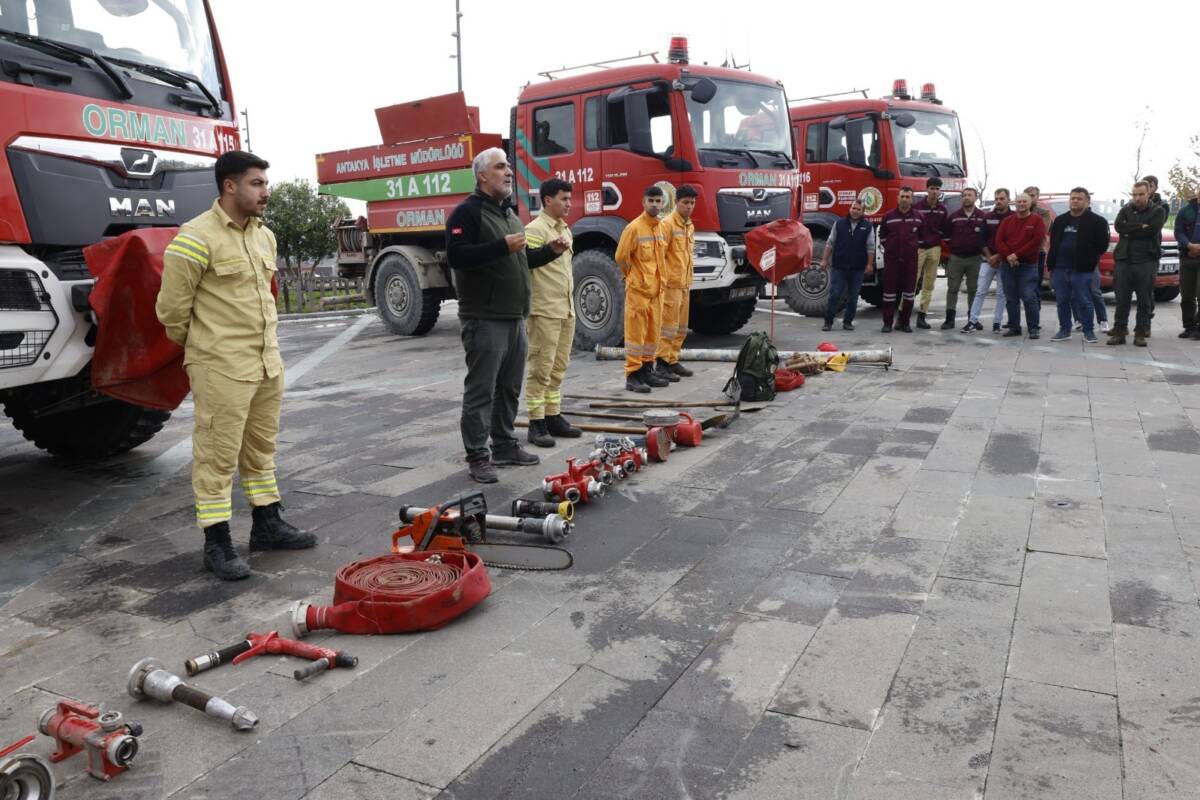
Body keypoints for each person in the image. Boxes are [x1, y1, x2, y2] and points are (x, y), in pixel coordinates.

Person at [155, 151, 315, 581]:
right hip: (221, 366)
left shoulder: (265, 237)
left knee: (261, 448)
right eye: (256, 183)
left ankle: (267, 524)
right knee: (216, 455)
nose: (266, 191)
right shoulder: (194, 238)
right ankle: (217, 542)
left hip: (265, 363)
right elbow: (171, 312)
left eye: (265, 183)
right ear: (230, 186)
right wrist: (207, 349)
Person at [446, 147, 567, 482]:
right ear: (482, 175)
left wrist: (548, 253)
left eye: (509, 167)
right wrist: (502, 246)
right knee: (481, 390)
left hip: (515, 317)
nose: (509, 172)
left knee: (510, 387)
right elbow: (456, 256)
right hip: (484, 318)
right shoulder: (466, 214)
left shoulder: (509, 214)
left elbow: (520, 260)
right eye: (501, 167)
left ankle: (504, 445)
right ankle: (477, 456)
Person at [523, 178, 582, 448]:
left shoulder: (565, 229)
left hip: (565, 309)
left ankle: (553, 417)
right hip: (544, 310)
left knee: (558, 367)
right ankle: (536, 424)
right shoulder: (534, 229)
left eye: (570, 199)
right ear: (548, 200)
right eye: (564, 199)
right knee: (540, 369)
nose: (569, 204)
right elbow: (527, 262)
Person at [617, 186, 670, 392]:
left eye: (658, 201)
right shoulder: (633, 228)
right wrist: (632, 277)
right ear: (643, 202)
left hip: (656, 291)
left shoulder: (659, 228)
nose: (655, 204)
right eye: (651, 201)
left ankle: (648, 370)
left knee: (652, 333)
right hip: (639, 290)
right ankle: (633, 375)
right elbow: (621, 257)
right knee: (635, 335)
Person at [1046, 187, 1110, 343]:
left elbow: (1102, 245)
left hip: (1082, 269)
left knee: (1084, 301)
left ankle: (1089, 331)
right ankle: (1064, 330)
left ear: (1087, 201)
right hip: (1060, 268)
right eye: (1072, 198)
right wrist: (1052, 265)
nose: (1075, 201)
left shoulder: (1097, 221)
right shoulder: (1060, 220)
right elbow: (1054, 243)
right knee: (1062, 301)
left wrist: (1088, 259)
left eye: (1079, 198)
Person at [1108, 180, 1168, 347]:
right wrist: (1139, 226)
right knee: (1122, 299)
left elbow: (1152, 230)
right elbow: (1119, 227)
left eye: (1141, 194)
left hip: (1146, 260)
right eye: (1134, 195)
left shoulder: (1158, 211)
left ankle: (1140, 332)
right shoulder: (1126, 209)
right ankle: (1119, 331)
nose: (1137, 198)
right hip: (1124, 260)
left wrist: (1130, 230)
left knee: (1144, 300)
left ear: (1149, 193)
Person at [657, 184, 698, 377]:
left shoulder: (689, 225)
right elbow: (659, 256)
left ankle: (673, 360)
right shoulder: (667, 225)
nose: (689, 206)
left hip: (684, 284)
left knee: (681, 327)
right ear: (676, 202)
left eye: (692, 203)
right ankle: (662, 363)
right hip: (670, 285)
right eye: (685, 203)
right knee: (668, 327)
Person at [995, 192, 1047, 338]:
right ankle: (1014, 327)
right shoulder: (1007, 221)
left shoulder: (1036, 220)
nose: (1021, 204)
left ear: (1030, 203)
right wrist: (1009, 256)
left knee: (1029, 296)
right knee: (1011, 298)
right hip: (1008, 265)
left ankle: (1033, 328)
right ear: (1014, 203)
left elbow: (1036, 241)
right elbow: (999, 241)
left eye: (1025, 201)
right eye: (1019, 202)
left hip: (1028, 265)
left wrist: (1016, 255)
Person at [820, 199, 875, 331]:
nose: (855, 211)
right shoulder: (839, 224)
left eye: (858, 209)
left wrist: (869, 264)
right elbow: (830, 243)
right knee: (835, 294)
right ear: (850, 209)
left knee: (853, 296)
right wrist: (824, 260)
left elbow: (871, 247)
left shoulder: (867, 226)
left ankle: (848, 322)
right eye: (853, 208)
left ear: (863, 212)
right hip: (839, 266)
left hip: (857, 268)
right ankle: (828, 322)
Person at [963, 188, 1012, 333]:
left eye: (1002, 198)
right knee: (980, 291)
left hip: (1004, 261)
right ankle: (972, 321)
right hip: (987, 260)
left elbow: (1013, 241)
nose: (999, 201)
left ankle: (997, 323)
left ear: (1008, 199)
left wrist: (999, 256)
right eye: (996, 199)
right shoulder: (988, 216)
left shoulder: (1013, 218)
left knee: (1001, 294)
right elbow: (981, 239)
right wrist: (990, 257)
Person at [942, 187, 987, 329]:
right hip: (956, 258)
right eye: (964, 195)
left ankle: (972, 319)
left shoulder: (982, 216)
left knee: (973, 289)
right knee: (952, 289)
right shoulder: (954, 216)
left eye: (969, 195)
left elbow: (986, 237)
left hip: (975, 259)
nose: (966, 197)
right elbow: (946, 237)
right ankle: (949, 320)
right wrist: (955, 247)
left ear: (976, 197)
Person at [878, 187, 922, 333]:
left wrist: (912, 247)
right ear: (898, 198)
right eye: (902, 196)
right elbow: (882, 236)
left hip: (910, 261)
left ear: (912, 199)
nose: (904, 199)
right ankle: (887, 323)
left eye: (907, 197)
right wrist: (891, 247)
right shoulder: (888, 216)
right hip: (892, 260)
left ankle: (905, 323)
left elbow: (921, 238)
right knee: (889, 293)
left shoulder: (918, 217)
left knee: (909, 294)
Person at [913, 177, 948, 329]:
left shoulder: (942, 209)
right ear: (927, 189)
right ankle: (903, 315)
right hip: (918, 248)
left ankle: (922, 316)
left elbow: (945, 229)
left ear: (940, 191)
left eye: (937, 189)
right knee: (911, 283)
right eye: (932, 188)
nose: (935, 191)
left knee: (929, 284)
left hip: (934, 248)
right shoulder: (917, 207)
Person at [1176, 192, 1200, 338]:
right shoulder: (1186, 211)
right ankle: (1189, 326)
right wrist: (1189, 245)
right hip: (1187, 257)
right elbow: (1178, 231)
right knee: (1187, 295)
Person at [1026, 185, 1055, 283]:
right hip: (1020, 253)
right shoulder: (1018, 213)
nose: (1030, 198)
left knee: (1035, 282)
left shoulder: (1044, 213)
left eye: (1032, 195)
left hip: (1037, 251)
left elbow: (1041, 232)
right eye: (1027, 195)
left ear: (1037, 197)